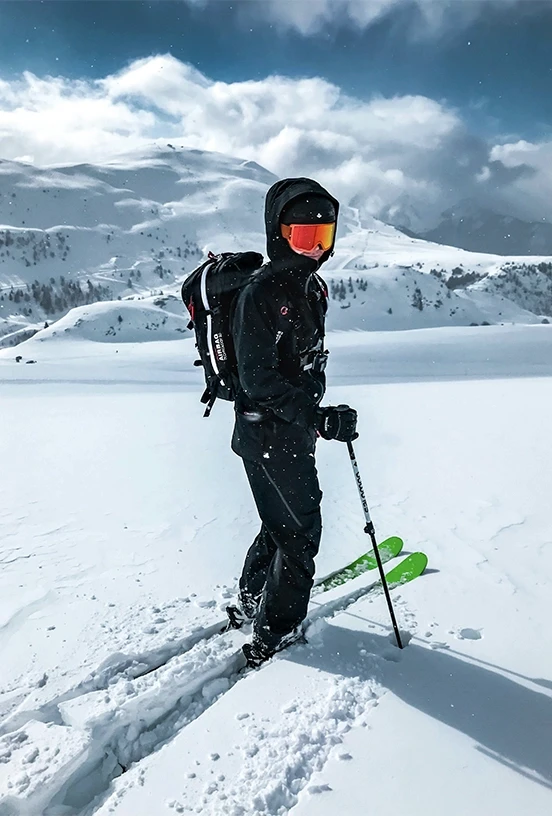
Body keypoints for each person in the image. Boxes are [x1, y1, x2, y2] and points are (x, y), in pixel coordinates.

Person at [227, 177, 358, 667]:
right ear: (278, 234)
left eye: (322, 239)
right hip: (270, 432)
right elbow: (259, 379)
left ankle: (251, 599)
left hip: (277, 432)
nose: (313, 250)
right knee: (301, 534)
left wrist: (315, 412)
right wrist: (318, 417)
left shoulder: (308, 287)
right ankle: (275, 632)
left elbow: (301, 364)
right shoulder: (263, 293)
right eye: (303, 237)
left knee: (280, 523)